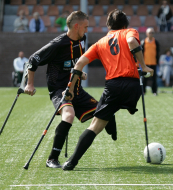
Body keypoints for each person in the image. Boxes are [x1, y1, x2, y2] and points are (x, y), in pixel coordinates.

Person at [61, 9, 154, 171]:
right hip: (132, 86)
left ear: (109, 26)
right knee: (127, 105)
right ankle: (124, 110)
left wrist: (70, 89)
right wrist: (144, 66)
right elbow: (132, 42)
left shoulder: (100, 43)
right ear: (125, 24)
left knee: (95, 126)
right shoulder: (129, 32)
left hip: (113, 87)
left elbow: (79, 65)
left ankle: (71, 162)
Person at [24, 11, 117, 169]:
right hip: (60, 90)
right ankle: (52, 159)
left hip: (77, 88)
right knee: (69, 114)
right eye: (85, 27)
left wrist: (80, 73)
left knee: (106, 110)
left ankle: (111, 128)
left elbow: (75, 63)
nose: (87, 30)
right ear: (76, 26)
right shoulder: (58, 44)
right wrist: (29, 84)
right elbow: (33, 60)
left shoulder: (82, 39)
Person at [141, 27, 159, 95]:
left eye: (152, 33)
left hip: (153, 63)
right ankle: (143, 91)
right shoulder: (143, 42)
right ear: (146, 33)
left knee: (154, 79)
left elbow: (157, 52)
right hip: (145, 63)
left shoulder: (156, 42)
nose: (150, 34)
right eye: (149, 33)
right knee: (144, 78)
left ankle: (154, 91)